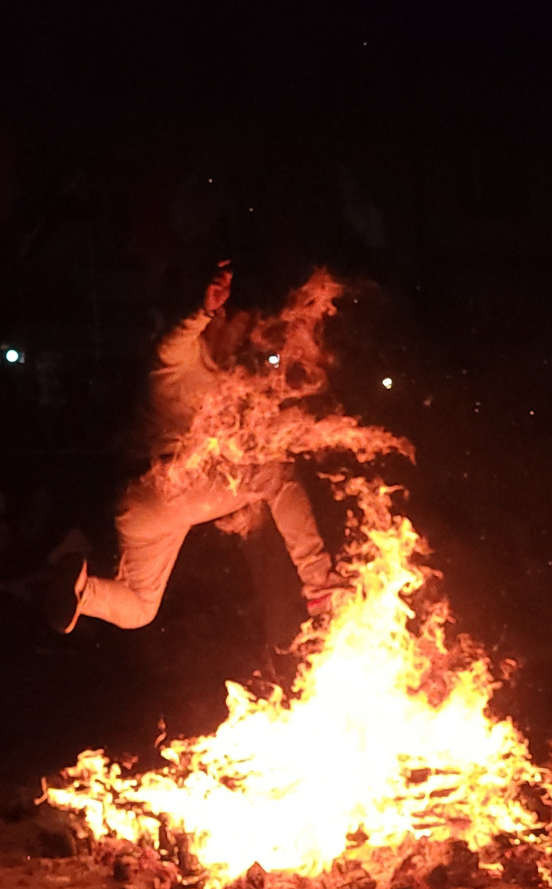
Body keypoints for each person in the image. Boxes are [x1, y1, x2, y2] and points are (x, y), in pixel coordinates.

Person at [45, 261, 338, 635]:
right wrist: (201, 308)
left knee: (140, 608)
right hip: (167, 484)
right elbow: (175, 335)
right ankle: (321, 585)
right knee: (277, 474)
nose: (240, 340)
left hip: (143, 510)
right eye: (238, 327)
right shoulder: (176, 360)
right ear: (218, 319)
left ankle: (80, 593)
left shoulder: (226, 381)